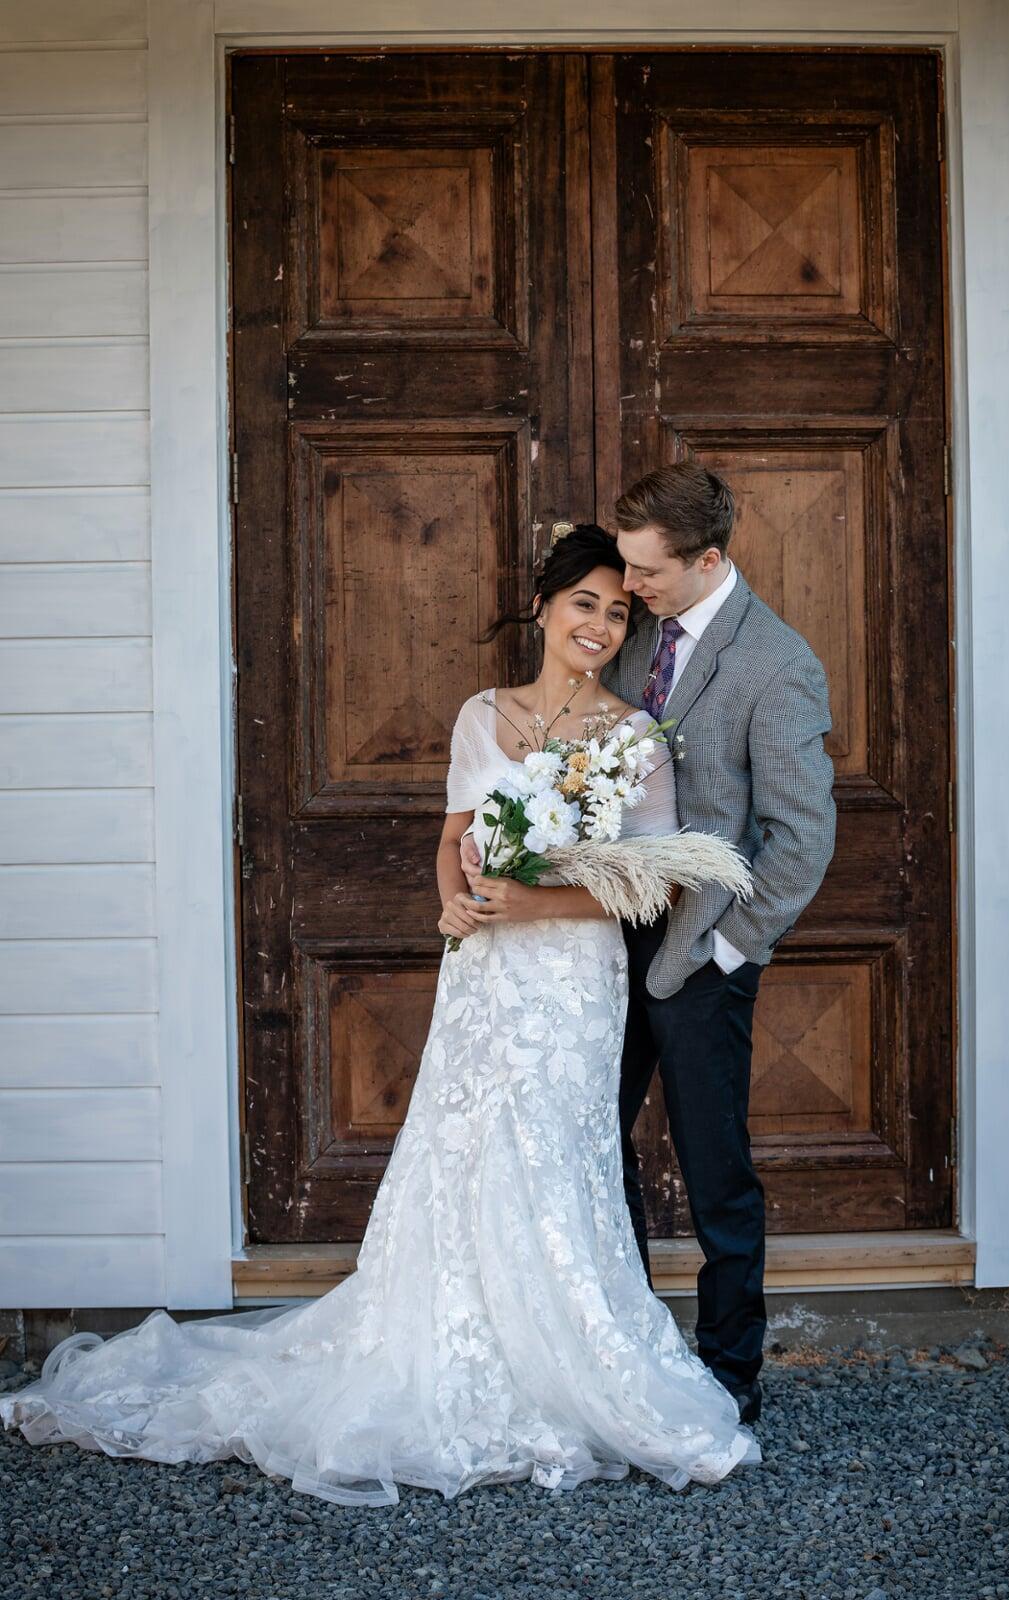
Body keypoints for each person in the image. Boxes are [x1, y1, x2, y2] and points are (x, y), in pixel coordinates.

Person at [0, 524, 759, 1507]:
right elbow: (453, 840)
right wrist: (451, 904)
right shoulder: (481, 714)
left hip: (572, 980)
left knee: (554, 1148)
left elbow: (647, 888)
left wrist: (531, 902)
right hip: (483, 974)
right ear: (542, 606)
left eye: (618, 612)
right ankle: (456, 1338)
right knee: (463, 1145)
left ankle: (569, 1354)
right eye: (586, 603)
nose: (601, 625)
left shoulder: (633, 736)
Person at [601, 461, 836, 1425]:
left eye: (646, 570)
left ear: (705, 560)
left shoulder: (776, 662)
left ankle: (729, 1372)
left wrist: (732, 951)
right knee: (587, 1142)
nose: (627, 586)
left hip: (701, 954)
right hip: (601, 942)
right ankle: (620, 1345)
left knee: (714, 1170)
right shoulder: (629, 632)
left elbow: (801, 837)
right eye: (624, 566)